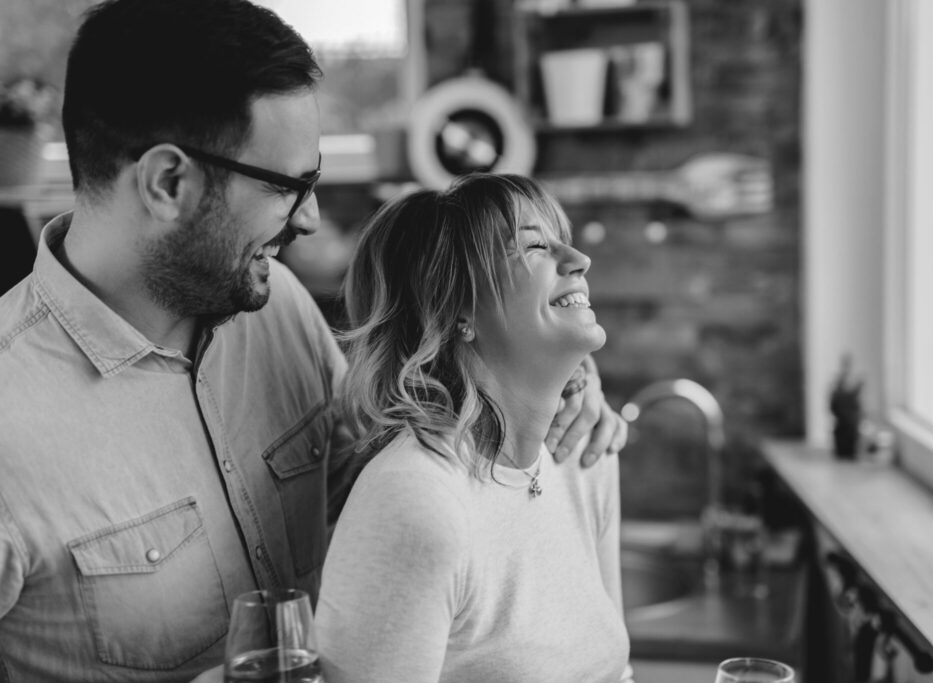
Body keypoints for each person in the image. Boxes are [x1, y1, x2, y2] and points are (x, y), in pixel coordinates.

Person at [0, 1, 625, 681]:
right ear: (167, 181)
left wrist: (558, 390)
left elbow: (396, 464)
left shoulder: (277, 309)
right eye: (289, 186)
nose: (312, 216)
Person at [315, 173, 634, 683]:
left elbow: (617, 674)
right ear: (456, 309)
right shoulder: (415, 503)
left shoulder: (586, 455)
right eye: (534, 246)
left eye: (561, 239)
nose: (579, 260)